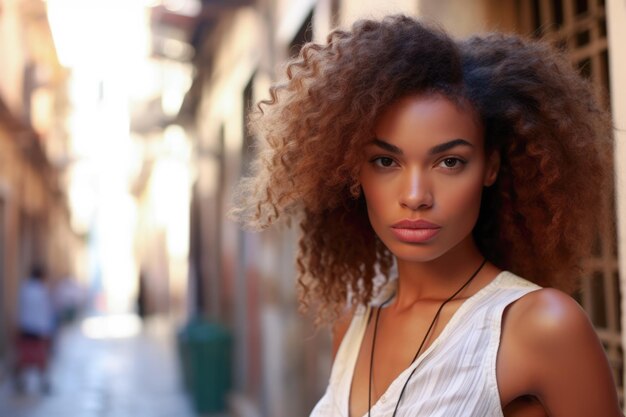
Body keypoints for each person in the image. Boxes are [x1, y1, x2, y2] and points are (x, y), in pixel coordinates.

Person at [231, 15, 622, 417]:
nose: (415, 196)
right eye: (386, 160)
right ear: (352, 171)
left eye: (449, 162)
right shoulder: (354, 325)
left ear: (490, 167)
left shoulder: (541, 326)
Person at [14, 264, 56, 394]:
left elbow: (20, 309)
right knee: (41, 357)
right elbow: (45, 312)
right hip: (39, 329)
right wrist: (48, 331)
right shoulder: (42, 291)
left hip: (25, 328)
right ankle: (44, 383)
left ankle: (21, 382)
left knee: (24, 356)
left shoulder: (24, 289)